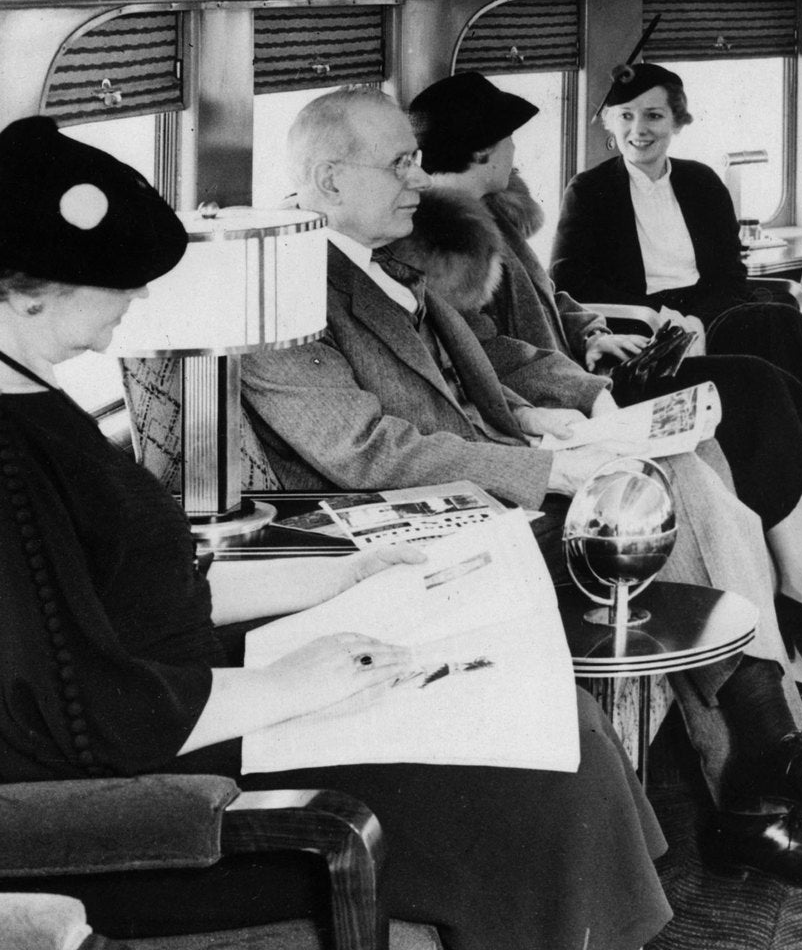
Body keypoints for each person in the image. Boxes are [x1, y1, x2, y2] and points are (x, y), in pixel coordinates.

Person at [0, 114, 672, 949]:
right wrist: (299, 684)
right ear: (31, 289)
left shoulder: (38, 399)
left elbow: (149, 591)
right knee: (540, 771)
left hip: (195, 710)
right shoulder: (11, 450)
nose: (139, 298)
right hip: (158, 792)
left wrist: (345, 576)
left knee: (554, 716)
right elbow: (84, 711)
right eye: (119, 281)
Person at [239, 87, 802, 886]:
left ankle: (764, 773)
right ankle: (764, 773)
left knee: (680, 469)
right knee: (665, 487)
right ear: (332, 181)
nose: (419, 180)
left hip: (492, 478)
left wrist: (553, 413)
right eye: (400, 164)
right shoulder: (283, 292)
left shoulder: (383, 264)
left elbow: (473, 368)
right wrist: (548, 467)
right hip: (425, 529)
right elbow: (367, 450)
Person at [406, 70, 802, 634]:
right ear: (483, 151)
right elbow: (485, 353)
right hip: (577, 402)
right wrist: (585, 385)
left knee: (764, 376)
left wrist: (591, 333)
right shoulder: (449, 242)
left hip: (589, 366)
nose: (516, 152)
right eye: (510, 140)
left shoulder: (491, 215)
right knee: (756, 388)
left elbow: (550, 297)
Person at [551, 47, 802, 534]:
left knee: (779, 323)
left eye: (654, 115)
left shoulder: (701, 182)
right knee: (775, 357)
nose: (639, 129)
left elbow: (728, 273)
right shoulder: (589, 189)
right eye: (626, 116)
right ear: (610, 125)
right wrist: (656, 314)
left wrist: (698, 319)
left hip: (709, 311)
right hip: (640, 327)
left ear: (677, 121)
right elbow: (569, 278)